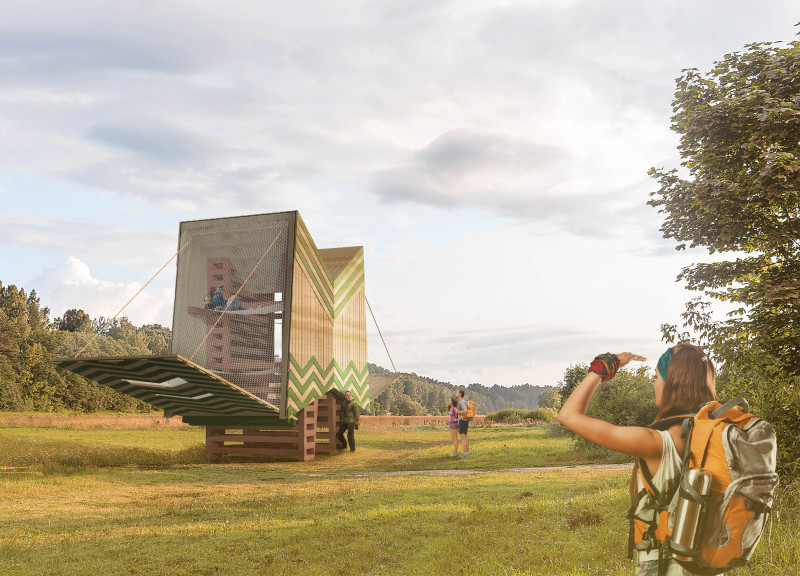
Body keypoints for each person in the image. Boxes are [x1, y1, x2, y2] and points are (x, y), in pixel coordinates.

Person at [557, 344, 717, 576]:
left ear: (672, 383)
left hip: (666, 567)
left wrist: (603, 366)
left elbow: (568, 415)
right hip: (709, 566)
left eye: (656, 376)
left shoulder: (656, 443)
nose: (654, 383)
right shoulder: (720, 434)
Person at [456, 389, 470, 457]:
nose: (456, 394)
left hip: (463, 420)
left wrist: (458, 412)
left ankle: (464, 453)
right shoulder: (462, 402)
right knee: (465, 437)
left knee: (463, 437)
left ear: (460, 394)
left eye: (457, 393)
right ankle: (467, 453)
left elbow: (465, 411)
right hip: (464, 421)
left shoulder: (462, 402)